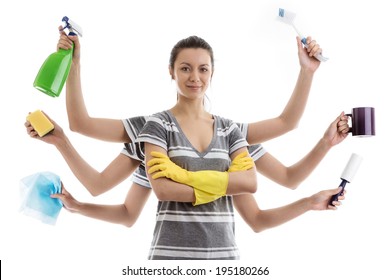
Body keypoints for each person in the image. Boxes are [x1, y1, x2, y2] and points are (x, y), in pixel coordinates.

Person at [26, 32, 348, 259]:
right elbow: (84, 133)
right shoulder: (152, 128)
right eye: (185, 68)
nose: (195, 76)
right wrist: (74, 65)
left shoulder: (231, 134)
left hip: (224, 264)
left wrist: (310, 82)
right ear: (171, 72)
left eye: (203, 68)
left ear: (213, 73)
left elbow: (284, 160)